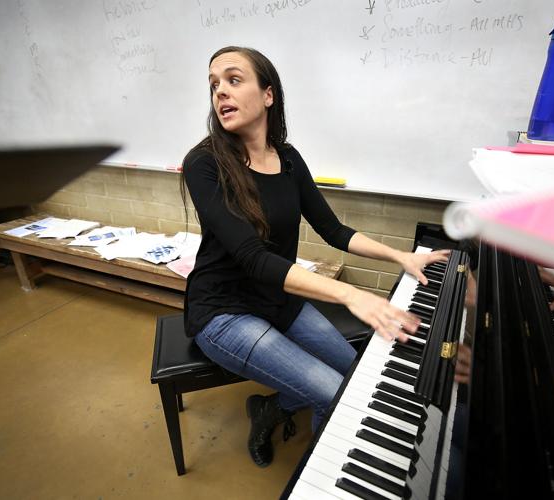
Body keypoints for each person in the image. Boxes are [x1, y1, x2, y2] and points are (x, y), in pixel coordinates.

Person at [180, 46, 449, 467]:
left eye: (233, 80)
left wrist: (400, 256)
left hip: (276, 299)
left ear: (268, 94)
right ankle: (328, 471)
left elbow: (334, 230)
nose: (220, 93)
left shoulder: (287, 159)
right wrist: (351, 295)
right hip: (224, 312)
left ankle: (271, 409)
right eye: (213, 85)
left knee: (353, 372)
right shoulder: (204, 164)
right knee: (333, 392)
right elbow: (252, 257)